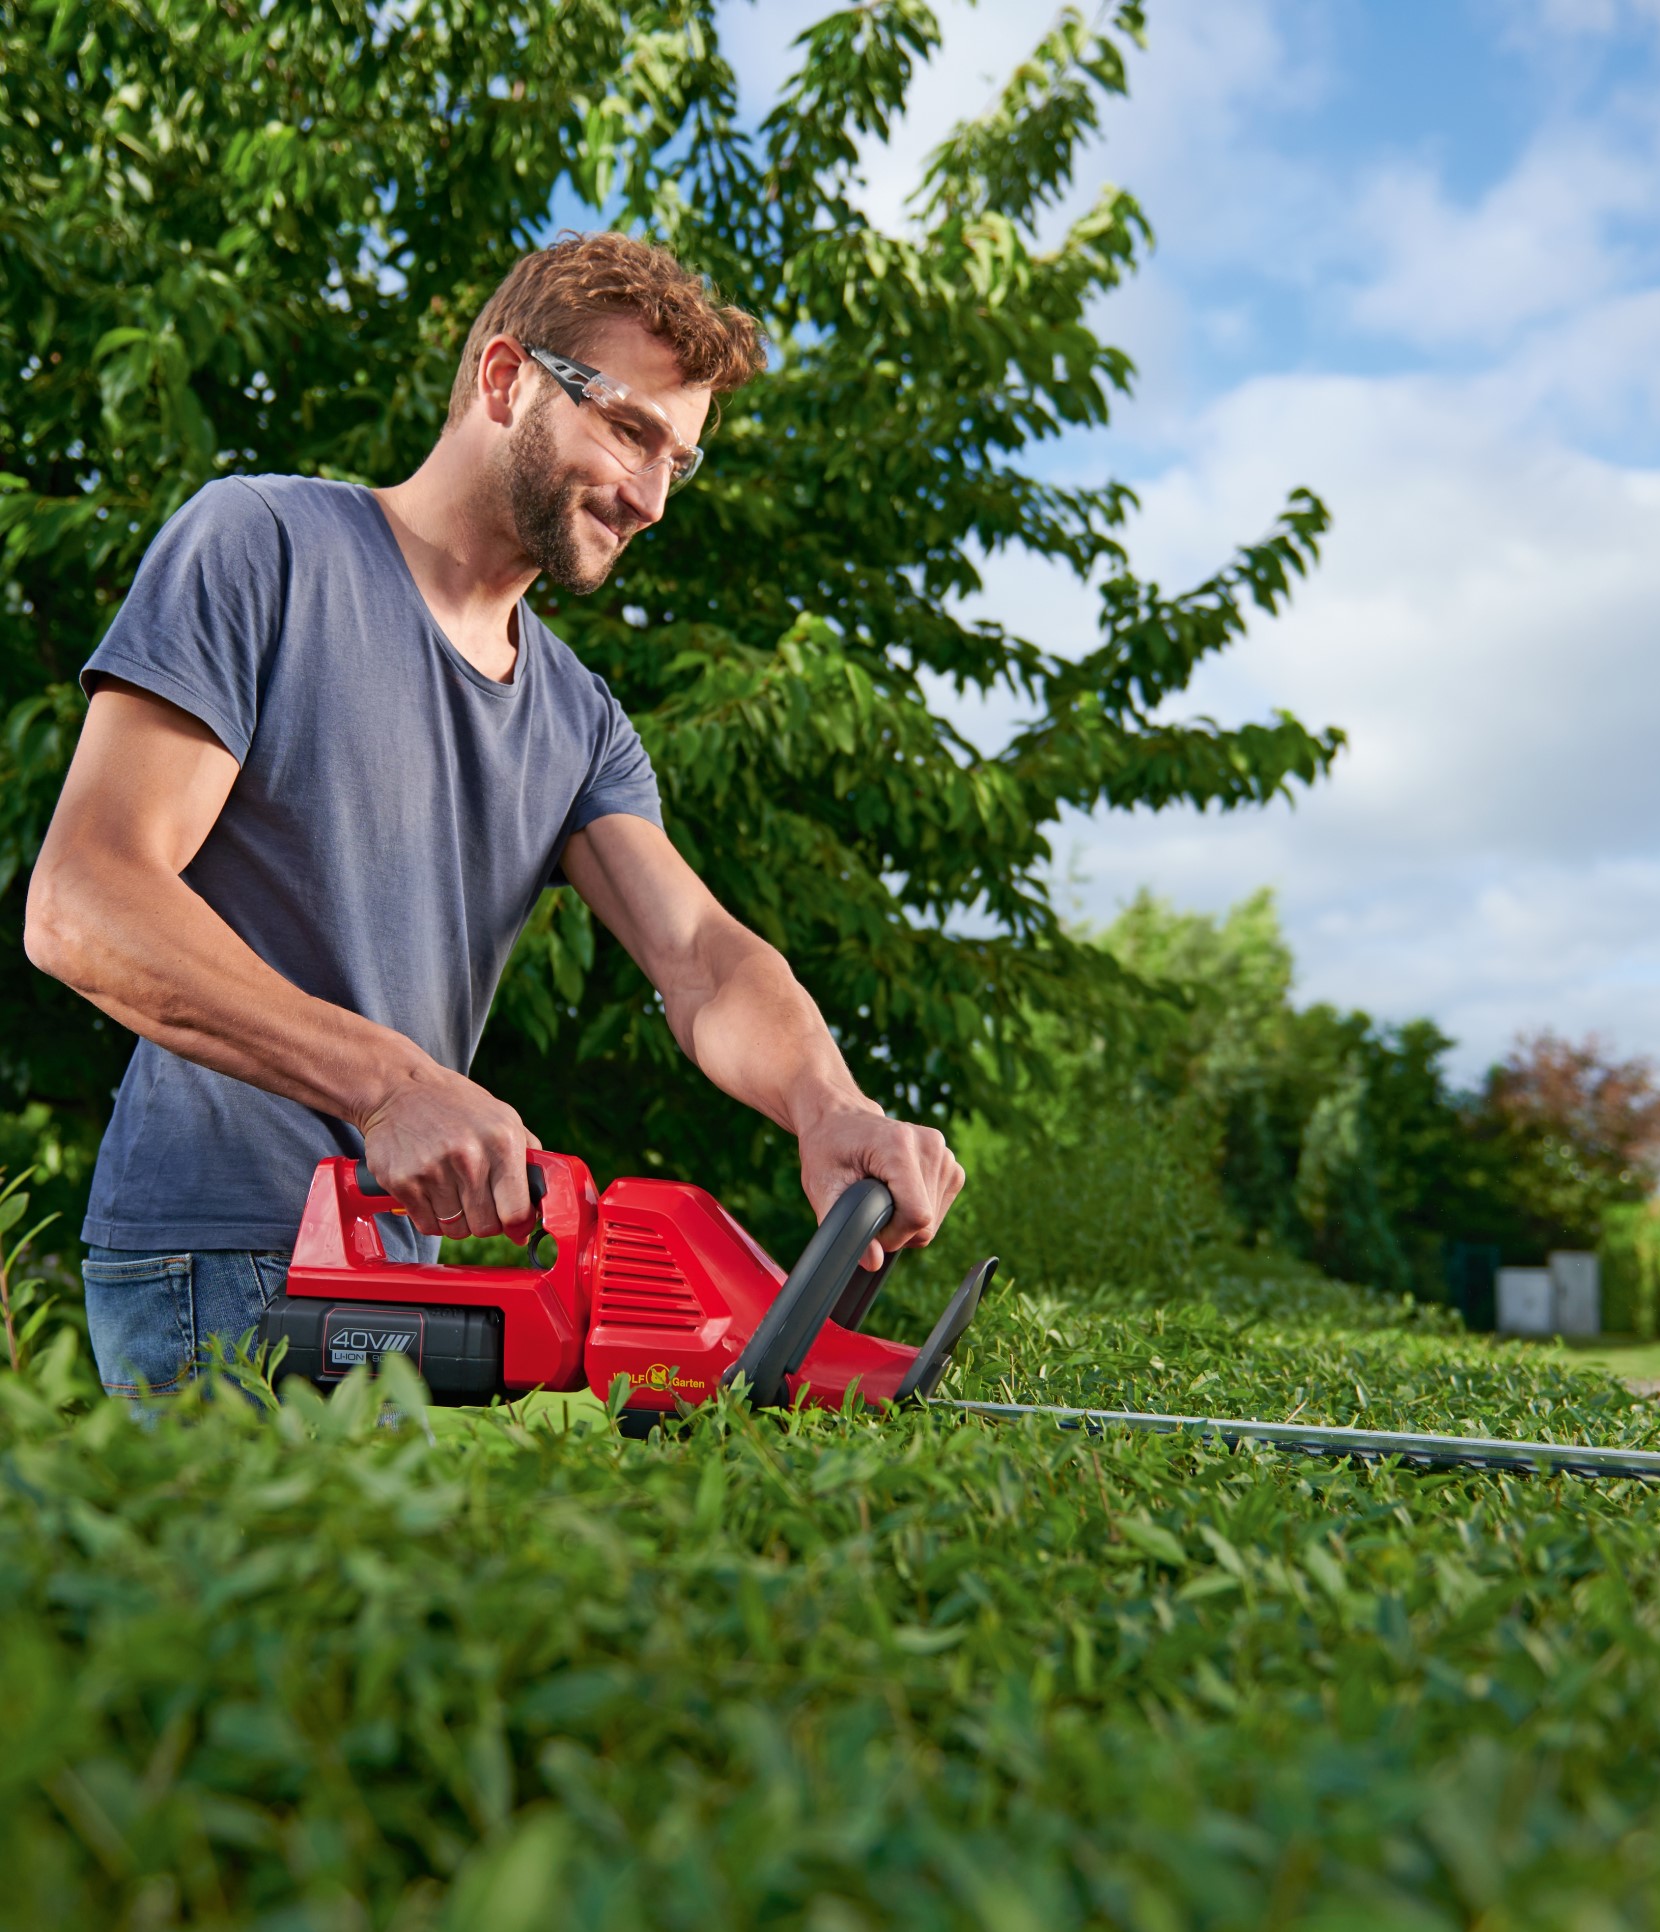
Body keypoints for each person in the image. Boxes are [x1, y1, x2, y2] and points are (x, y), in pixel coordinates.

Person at [23, 232, 964, 1399]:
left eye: (680, 456)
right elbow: (83, 902)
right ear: (507, 378)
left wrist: (831, 1106)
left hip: (390, 1269)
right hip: (215, 1251)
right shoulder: (263, 547)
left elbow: (703, 960)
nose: (652, 494)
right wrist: (390, 1083)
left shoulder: (577, 717)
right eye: (629, 429)